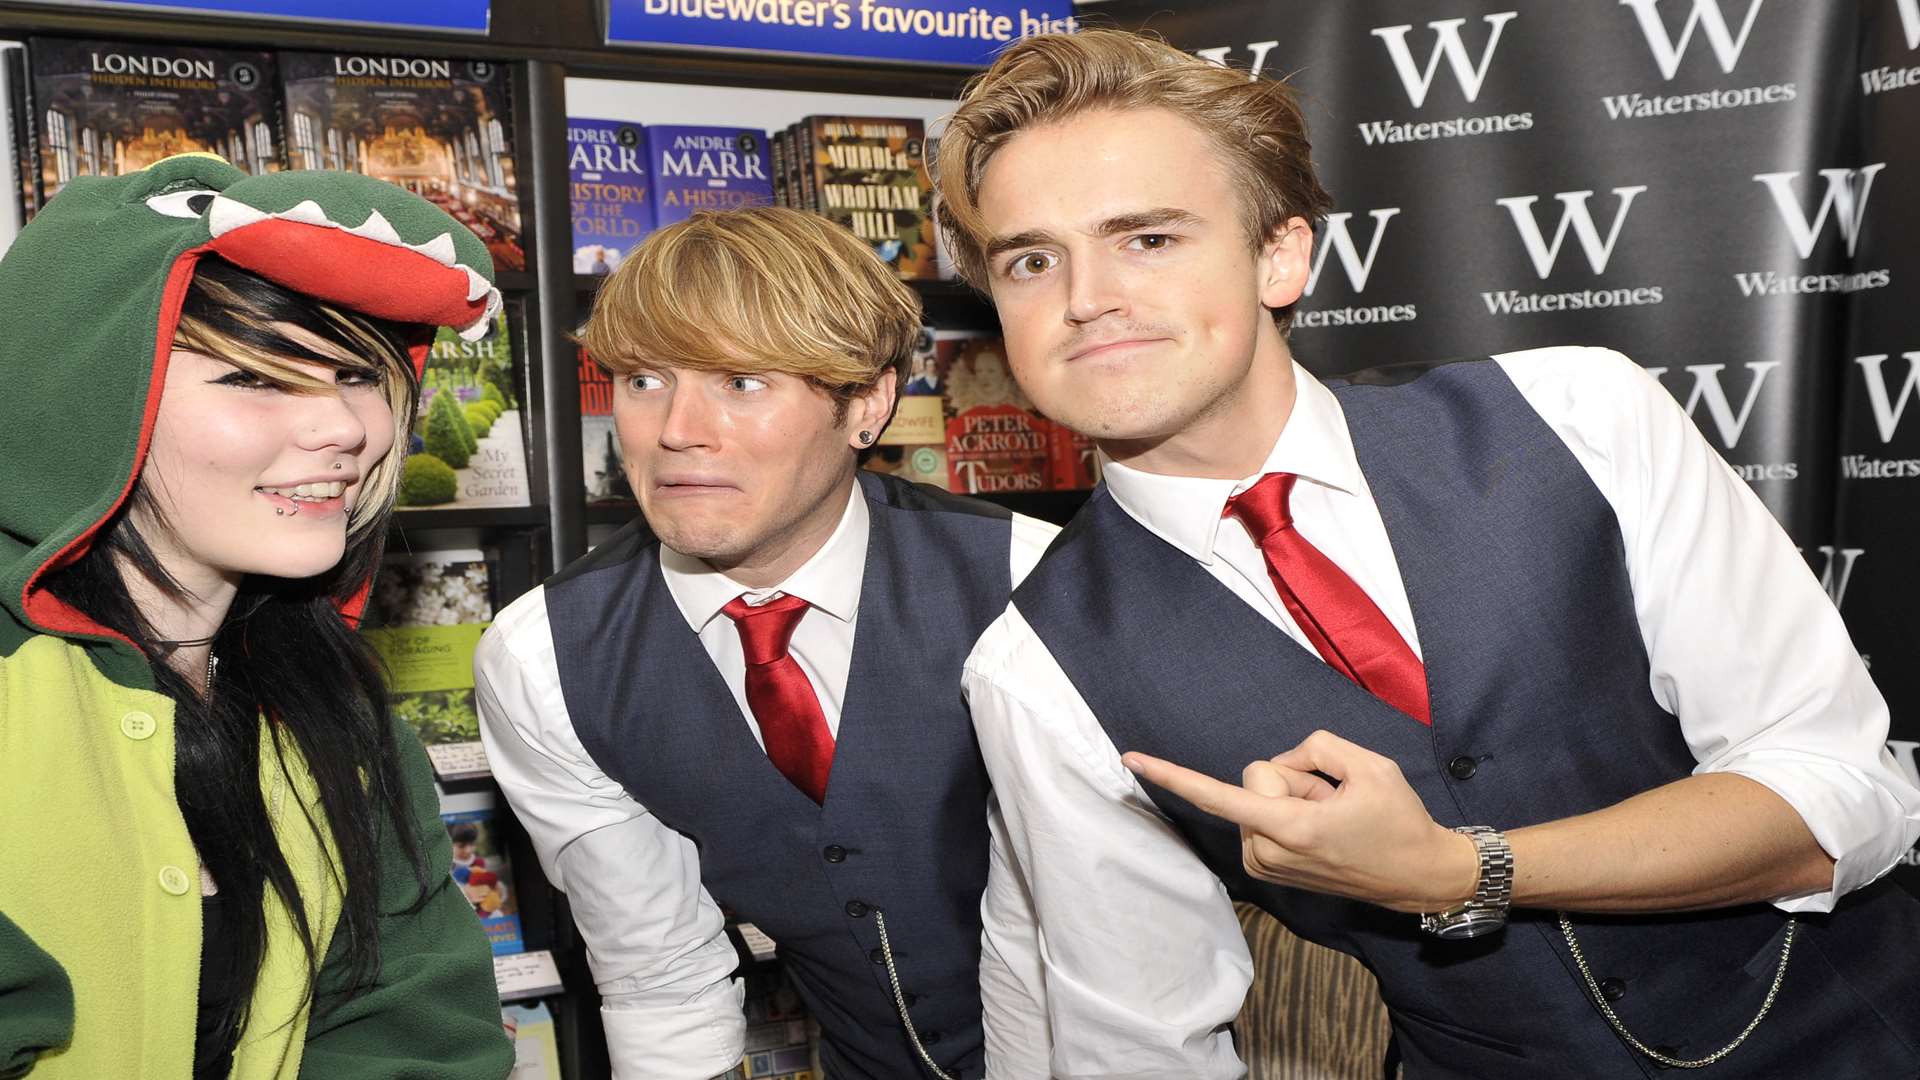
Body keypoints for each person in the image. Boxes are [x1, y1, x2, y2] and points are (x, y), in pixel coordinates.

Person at [936, 29, 1920, 1079]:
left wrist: (1462, 869)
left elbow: (1838, 795)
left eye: (1149, 239)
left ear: (1282, 256)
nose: (1086, 298)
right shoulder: (1034, 666)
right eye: (1032, 260)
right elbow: (1136, 1039)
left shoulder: (1577, 415)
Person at [473, 206, 1056, 1080]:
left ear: (868, 404)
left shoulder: (1029, 585)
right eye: (642, 380)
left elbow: (1116, 926)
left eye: (741, 382)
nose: (676, 429)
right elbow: (658, 973)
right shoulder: (545, 658)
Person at [0, 154, 514, 1078]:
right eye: (257, 380)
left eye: (360, 375)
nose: (345, 429)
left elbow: (411, 1018)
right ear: (83, 398)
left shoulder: (337, 707)